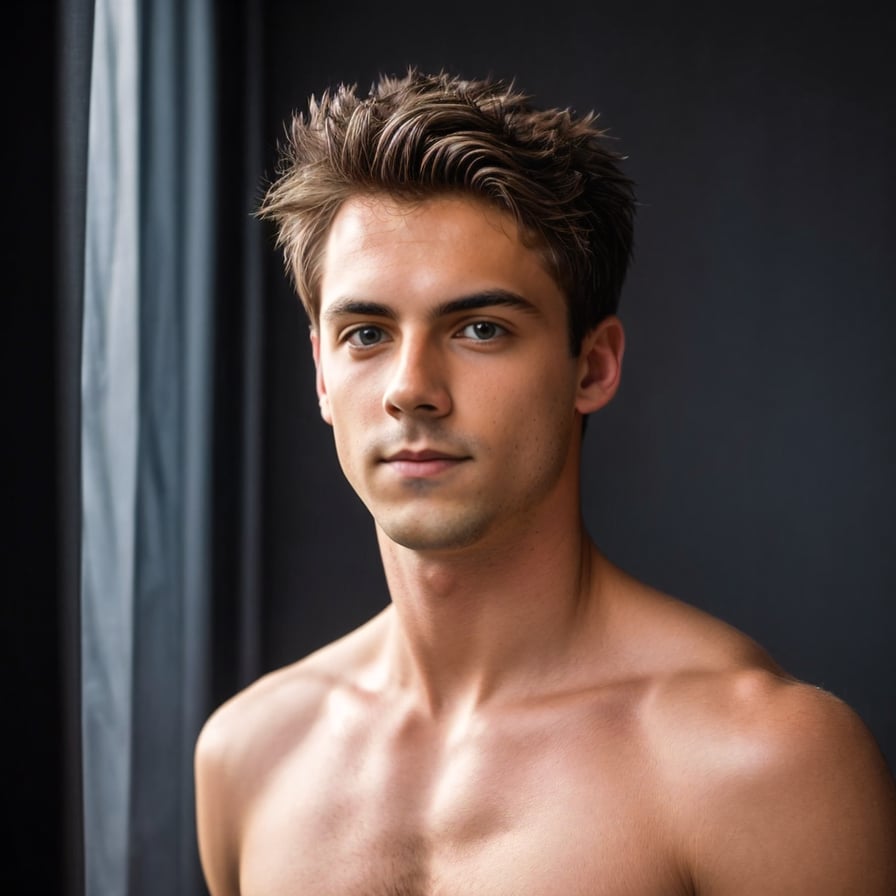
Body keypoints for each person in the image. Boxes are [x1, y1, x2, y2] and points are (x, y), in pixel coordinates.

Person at [194, 69, 896, 895]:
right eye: (367, 332)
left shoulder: (760, 761)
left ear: (592, 366)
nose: (410, 386)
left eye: (480, 328)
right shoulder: (249, 754)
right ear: (320, 372)